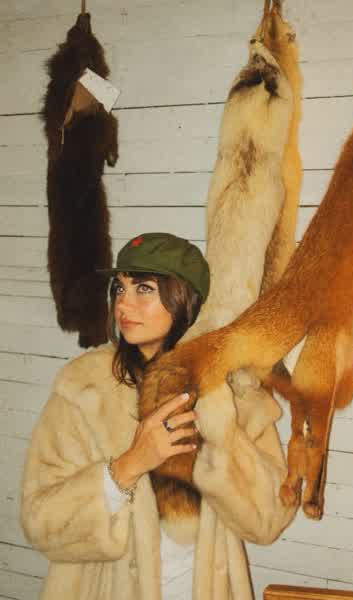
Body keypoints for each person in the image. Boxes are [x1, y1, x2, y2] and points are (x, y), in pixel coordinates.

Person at [21, 232, 295, 600]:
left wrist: (221, 431)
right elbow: (40, 523)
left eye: (144, 289)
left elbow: (269, 522)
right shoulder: (83, 390)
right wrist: (128, 467)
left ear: (185, 298)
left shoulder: (235, 390)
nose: (123, 303)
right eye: (119, 288)